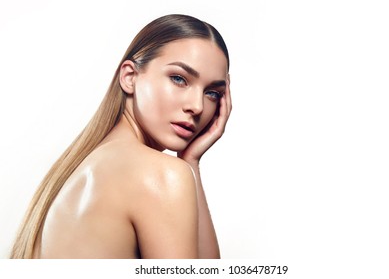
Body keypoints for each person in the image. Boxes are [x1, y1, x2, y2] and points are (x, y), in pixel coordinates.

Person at [10, 14, 231, 259]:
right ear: (129, 77)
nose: (197, 106)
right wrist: (184, 169)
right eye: (179, 79)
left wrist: (191, 162)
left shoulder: (82, 167)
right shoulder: (158, 173)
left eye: (212, 92)